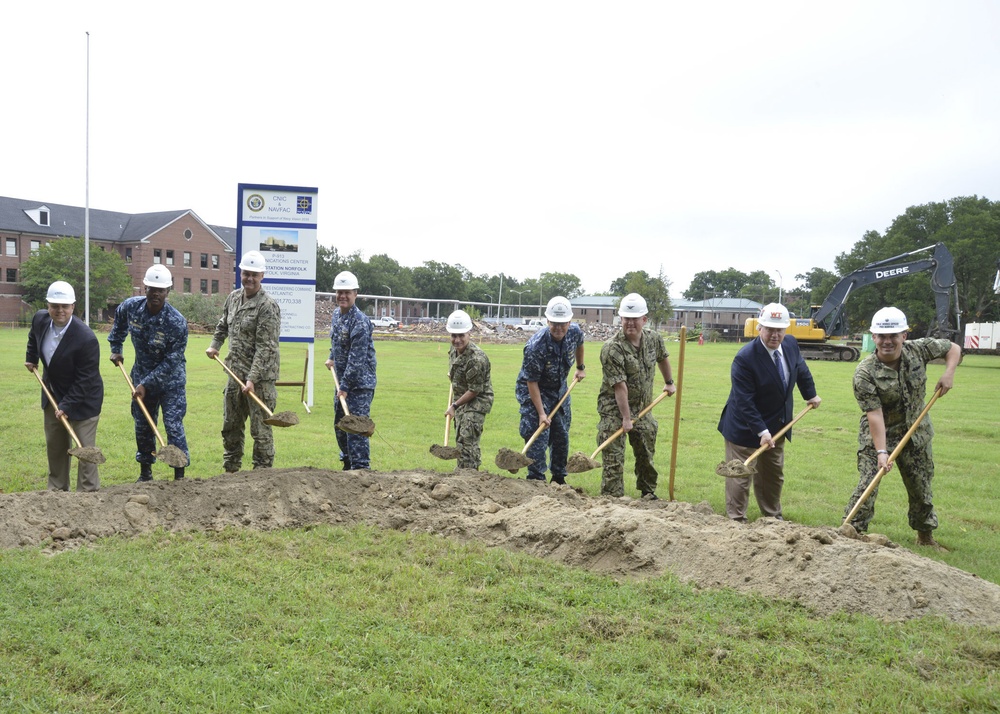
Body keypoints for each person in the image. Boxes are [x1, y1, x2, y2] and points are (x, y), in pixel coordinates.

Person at [843, 306, 961, 548]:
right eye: (882, 336)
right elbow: (875, 415)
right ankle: (850, 533)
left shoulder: (919, 349)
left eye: (893, 336)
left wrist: (949, 373)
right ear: (873, 337)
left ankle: (925, 537)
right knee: (869, 482)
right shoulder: (864, 373)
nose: (887, 342)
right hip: (879, 435)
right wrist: (881, 452)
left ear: (904, 336)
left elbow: (953, 348)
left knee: (921, 486)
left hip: (916, 434)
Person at [718, 302, 821, 522]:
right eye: (770, 329)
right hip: (745, 427)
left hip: (778, 424)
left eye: (779, 330)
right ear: (759, 328)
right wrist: (761, 431)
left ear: (786, 329)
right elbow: (744, 401)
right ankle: (736, 520)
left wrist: (810, 394)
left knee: (773, 474)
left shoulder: (791, 344)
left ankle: (772, 517)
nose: (775, 335)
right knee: (741, 474)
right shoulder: (745, 358)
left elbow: (801, 369)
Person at [108, 265, 190, 482]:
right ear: (145, 287)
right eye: (152, 288)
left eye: (160, 290)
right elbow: (118, 327)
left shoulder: (177, 322)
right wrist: (116, 348)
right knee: (143, 425)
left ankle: (179, 475)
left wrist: (146, 383)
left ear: (168, 292)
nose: (155, 293)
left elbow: (172, 360)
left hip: (170, 382)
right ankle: (145, 474)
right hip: (141, 377)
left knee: (173, 425)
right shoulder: (131, 307)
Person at [24, 281, 104, 491]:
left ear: (73, 307)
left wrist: (67, 406)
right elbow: (33, 337)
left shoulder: (86, 338)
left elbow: (86, 379)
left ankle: (87, 493)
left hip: (84, 399)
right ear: (48, 305)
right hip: (52, 392)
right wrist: (32, 357)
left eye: (65, 306)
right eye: (55, 305)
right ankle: (57, 491)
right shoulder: (40, 319)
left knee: (84, 449)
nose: (60, 310)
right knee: (56, 445)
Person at [205, 250, 281, 472]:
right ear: (241, 273)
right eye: (246, 274)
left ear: (262, 276)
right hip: (234, 373)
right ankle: (231, 469)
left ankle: (262, 473)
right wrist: (214, 345)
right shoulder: (233, 298)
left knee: (261, 429)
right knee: (231, 425)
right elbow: (223, 326)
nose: (249, 279)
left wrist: (252, 379)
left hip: (260, 379)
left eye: (254, 275)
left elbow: (266, 347)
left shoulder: (267, 306)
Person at [597, 293, 676, 499]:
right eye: (626, 318)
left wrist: (669, 382)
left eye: (635, 318)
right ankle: (612, 499)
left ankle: (648, 493)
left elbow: (663, 358)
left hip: (643, 409)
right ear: (620, 319)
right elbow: (619, 387)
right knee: (613, 458)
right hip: (614, 411)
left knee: (646, 454)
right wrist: (625, 418)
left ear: (644, 320)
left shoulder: (654, 339)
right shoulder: (612, 349)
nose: (630, 323)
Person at [515, 296, 585, 484]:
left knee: (561, 434)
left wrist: (580, 367)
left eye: (563, 324)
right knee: (538, 436)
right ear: (548, 321)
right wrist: (541, 413)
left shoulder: (574, 332)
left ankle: (559, 479)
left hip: (559, 388)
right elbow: (532, 382)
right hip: (534, 391)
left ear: (569, 322)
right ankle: (536, 479)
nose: (559, 328)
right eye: (554, 324)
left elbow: (580, 344)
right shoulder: (535, 346)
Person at [324, 270, 377, 470]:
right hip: (343, 383)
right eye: (339, 292)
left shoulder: (361, 322)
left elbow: (357, 359)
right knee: (340, 426)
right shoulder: (337, 314)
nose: (342, 296)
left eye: (347, 292)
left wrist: (345, 387)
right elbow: (337, 342)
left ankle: (361, 470)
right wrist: (331, 357)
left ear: (355, 293)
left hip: (360, 385)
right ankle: (347, 464)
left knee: (356, 429)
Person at [445, 309, 494, 470]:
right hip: (462, 398)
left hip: (477, 400)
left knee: (468, 437)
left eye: (461, 335)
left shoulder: (476, 359)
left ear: (469, 333)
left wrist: (454, 406)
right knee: (460, 436)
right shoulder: (454, 349)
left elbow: (475, 390)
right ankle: (463, 471)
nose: (457, 340)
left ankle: (470, 474)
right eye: (453, 335)